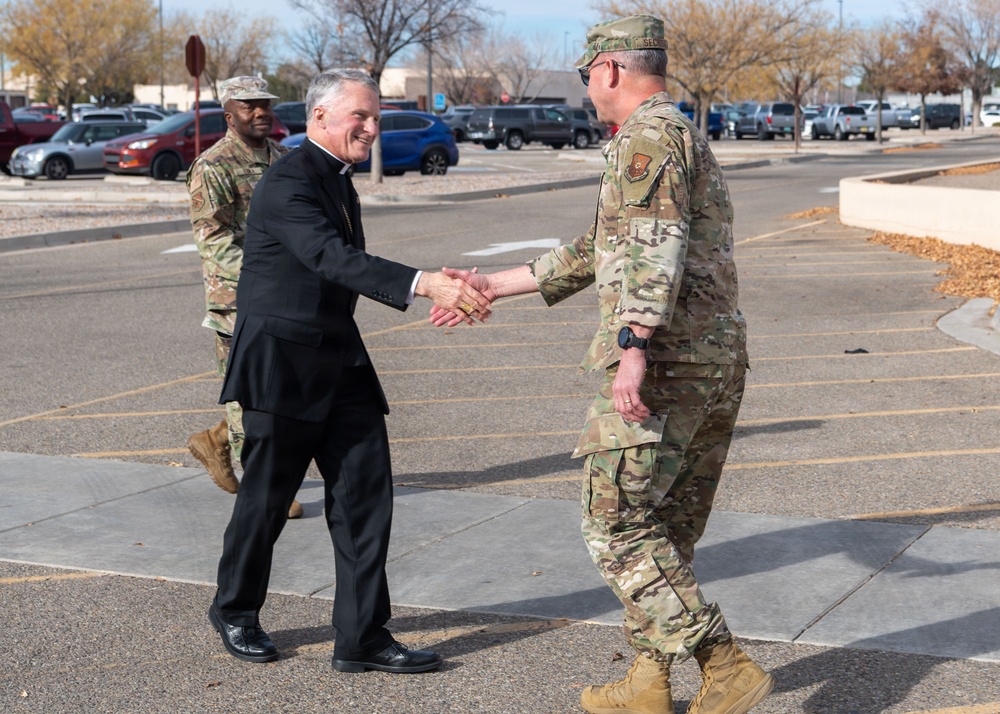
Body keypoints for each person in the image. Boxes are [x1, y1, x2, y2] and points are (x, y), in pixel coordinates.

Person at [430, 15, 773, 714]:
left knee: (613, 524)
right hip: (709, 363)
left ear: (611, 68)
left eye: (588, 75)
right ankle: (649, 682)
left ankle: (724, 662)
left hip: (667, 366)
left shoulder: (647, 138)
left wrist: (633, 351)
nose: (588, 90)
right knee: (665, 532)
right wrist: (495, 284)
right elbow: (601, 248)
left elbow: (652, 254)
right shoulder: (671, 132)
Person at [208, 68, 491, 673]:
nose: (370, 127)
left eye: (375, 117)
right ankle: (235, 609)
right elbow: (329, 257)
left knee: (365, 499)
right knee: (265, 500)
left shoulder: (337, 178)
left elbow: (345, 266)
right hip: (283, 366)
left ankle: (361, 636)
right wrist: (424, 283)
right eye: (359, 116)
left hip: (340, 359)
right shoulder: (286, 182)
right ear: (319, 119)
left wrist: (433, 287)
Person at [185, 75, 303, 519]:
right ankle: (266, 489)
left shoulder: (285, 159)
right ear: (228, 114)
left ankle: (215, 441)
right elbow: (212, 241)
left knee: (285, 392)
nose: (261, 112)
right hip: (239, 302)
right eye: (249, 105)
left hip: (289, 298)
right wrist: (265, 279)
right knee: (251, 394)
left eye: (265, 104)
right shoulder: (213, 166)